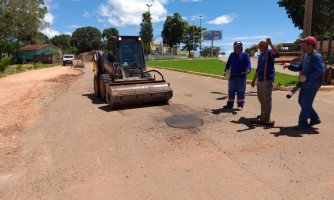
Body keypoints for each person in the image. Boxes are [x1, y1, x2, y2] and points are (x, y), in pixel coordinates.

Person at [283, 36, 324, 129]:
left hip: (312, 85)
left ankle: (302, 124)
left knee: (305, 103)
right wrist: (290, 66)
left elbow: (320, 70)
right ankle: (315, 119)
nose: (303, 46)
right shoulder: (306, 55)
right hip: (305, 83)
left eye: (305, 44)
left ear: (310, 45)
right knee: (302, 101)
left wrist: (307, 76)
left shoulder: (316, 56)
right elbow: (300, 67)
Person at [251, 38, 279, 124]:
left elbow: (276, 54)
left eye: (261, 46)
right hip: (260, 80)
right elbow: (258, 69)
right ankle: (263, 114)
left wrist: (270, 44)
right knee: (260, 97)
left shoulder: (270, 52)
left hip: (267, 79)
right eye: (259, 46)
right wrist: (253, 80)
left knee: (267, 99)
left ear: (265, 46)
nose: (259, 47)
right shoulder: (261, 55)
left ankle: (266, 118)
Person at [223, 41, 251, 110]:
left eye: (239, 46)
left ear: (241, 47)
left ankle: (240, 105)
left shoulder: (245, 55)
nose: (237, 47)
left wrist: (248, 69)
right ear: (234, 47)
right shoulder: (232, 55)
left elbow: (248, 63)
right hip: (232, 76)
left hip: (241, 76)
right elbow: (228, 64)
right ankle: (230, 104)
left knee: (240, 91)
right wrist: (226, 72)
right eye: (236, 46)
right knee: (231, 91)